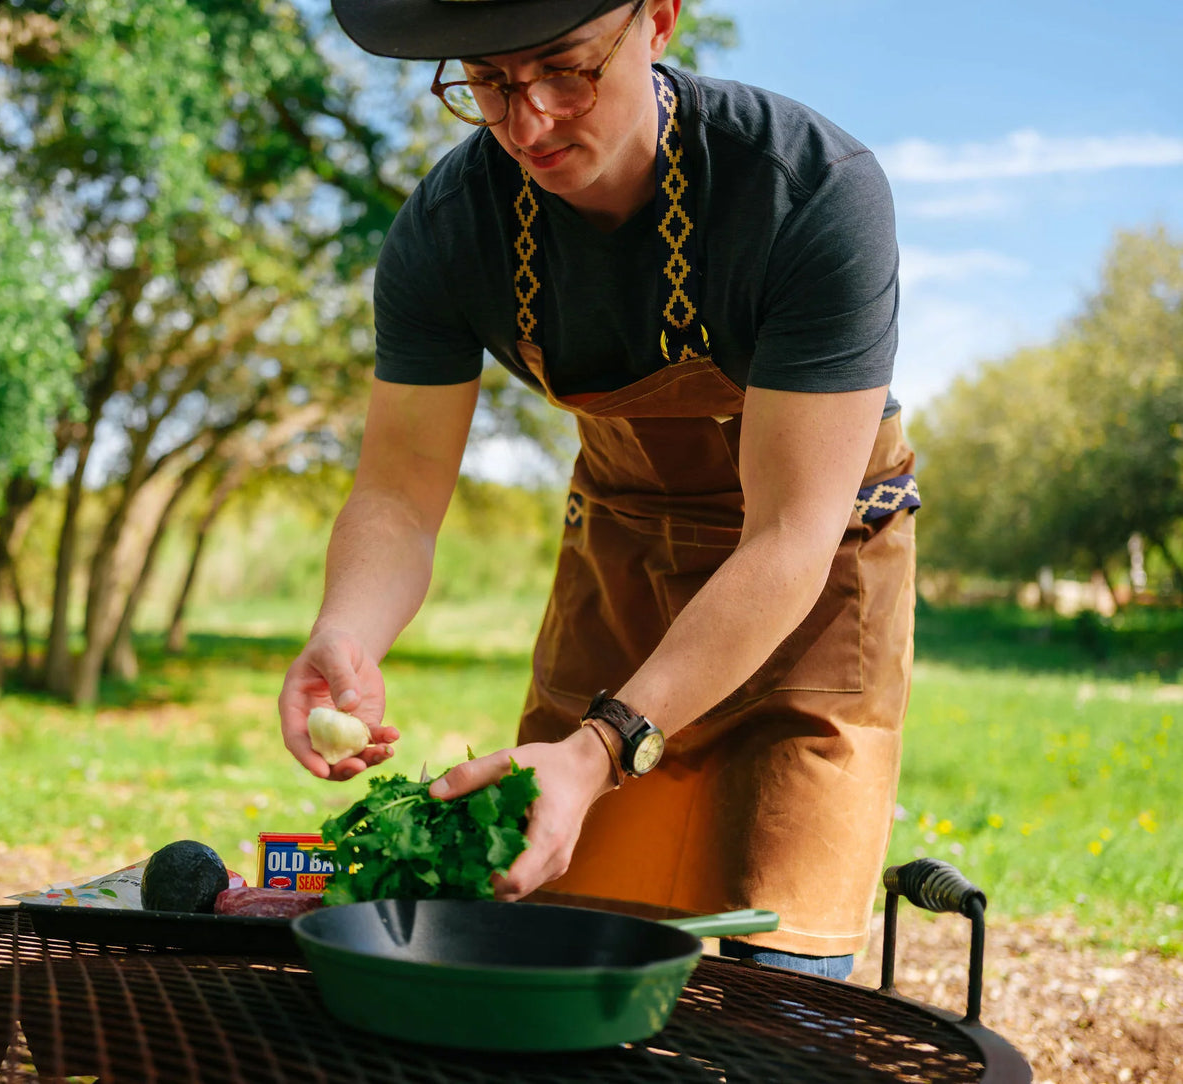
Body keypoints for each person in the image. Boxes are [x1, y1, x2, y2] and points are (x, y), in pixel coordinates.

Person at [278, 0, 919, 980]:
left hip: (811, 590)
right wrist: (348, 632)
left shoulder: (810, 194)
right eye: (486, 83)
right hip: (617, 565)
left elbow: (790, 532)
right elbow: (397, 499)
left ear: (656, 21)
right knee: (559, 945)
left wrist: (602, 746)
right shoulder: (446, 232)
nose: (527, 121)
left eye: (564, 70)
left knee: (776, 973)